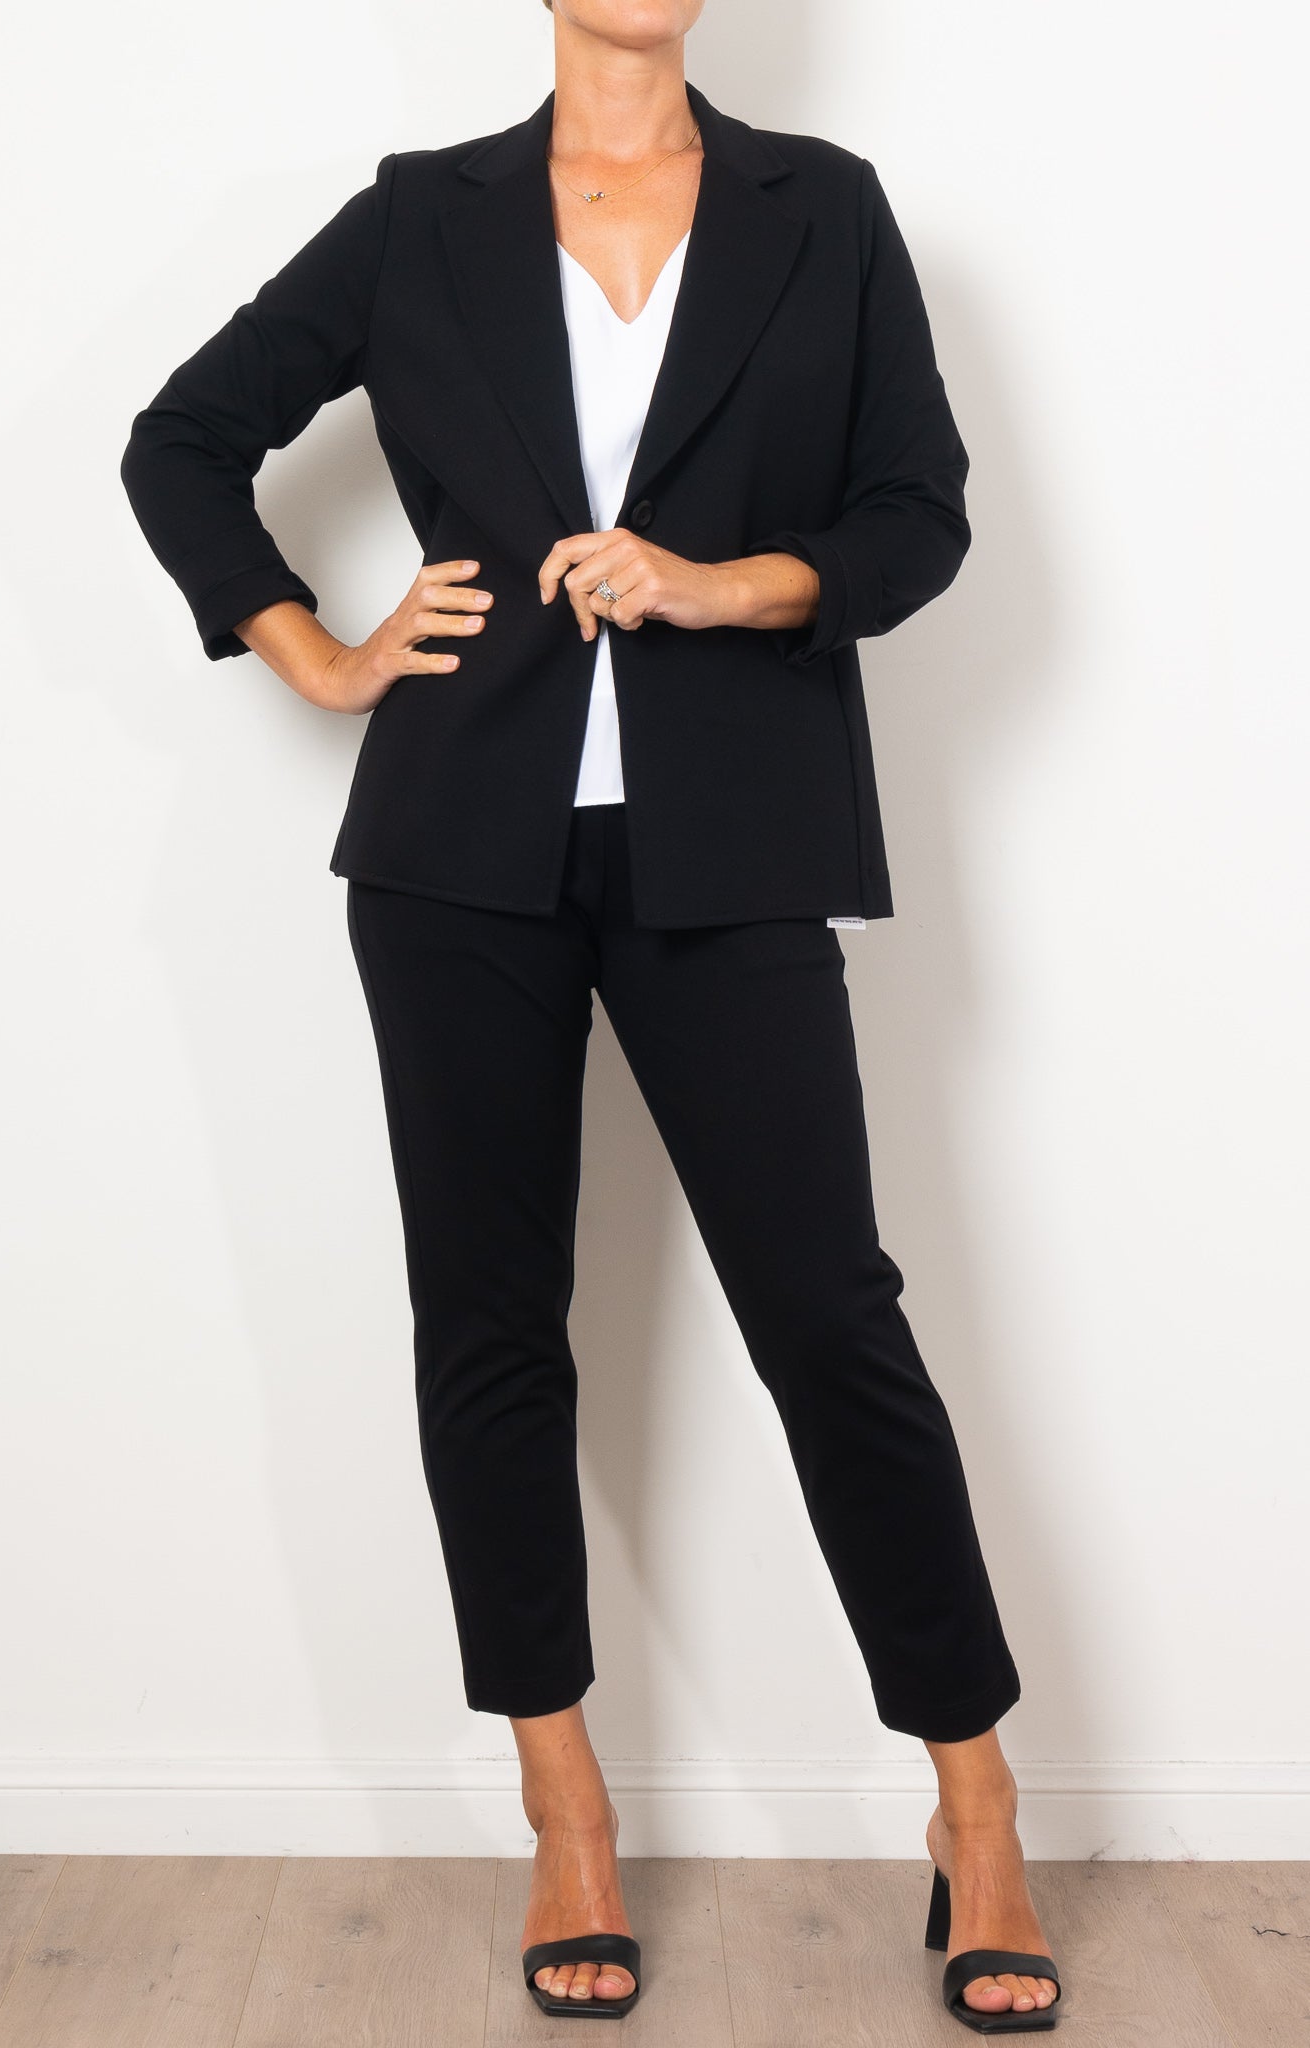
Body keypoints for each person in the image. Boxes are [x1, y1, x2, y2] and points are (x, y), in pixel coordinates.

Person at [120, 1, 1061, 2031]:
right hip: (456, 846)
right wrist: (315, 651)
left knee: (830, 1315)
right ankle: (563, 1810)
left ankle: (976, 1807)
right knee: (488, 1325)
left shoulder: (822, 208)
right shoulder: (422, 215)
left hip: (736, 841)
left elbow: (914, 510)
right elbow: (179, 437)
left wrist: (724, 586)